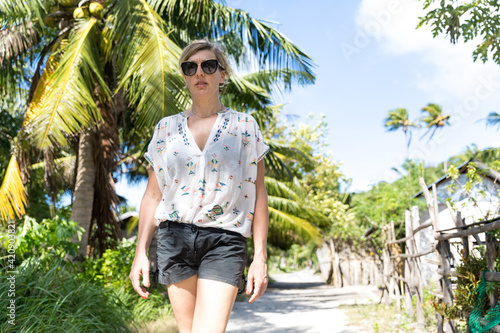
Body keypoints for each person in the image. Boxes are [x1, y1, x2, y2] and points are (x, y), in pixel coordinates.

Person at [129, 39, 270, 333]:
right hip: (174, 238)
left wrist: (260, 257)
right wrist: (140, 252)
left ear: (222, 74)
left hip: (224, 240)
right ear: (184, 77)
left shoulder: (245, 126)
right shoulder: (165, 129)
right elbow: (153, 194)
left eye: (208, 66)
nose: (199, 73)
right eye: (190, 67)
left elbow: (258, 195)